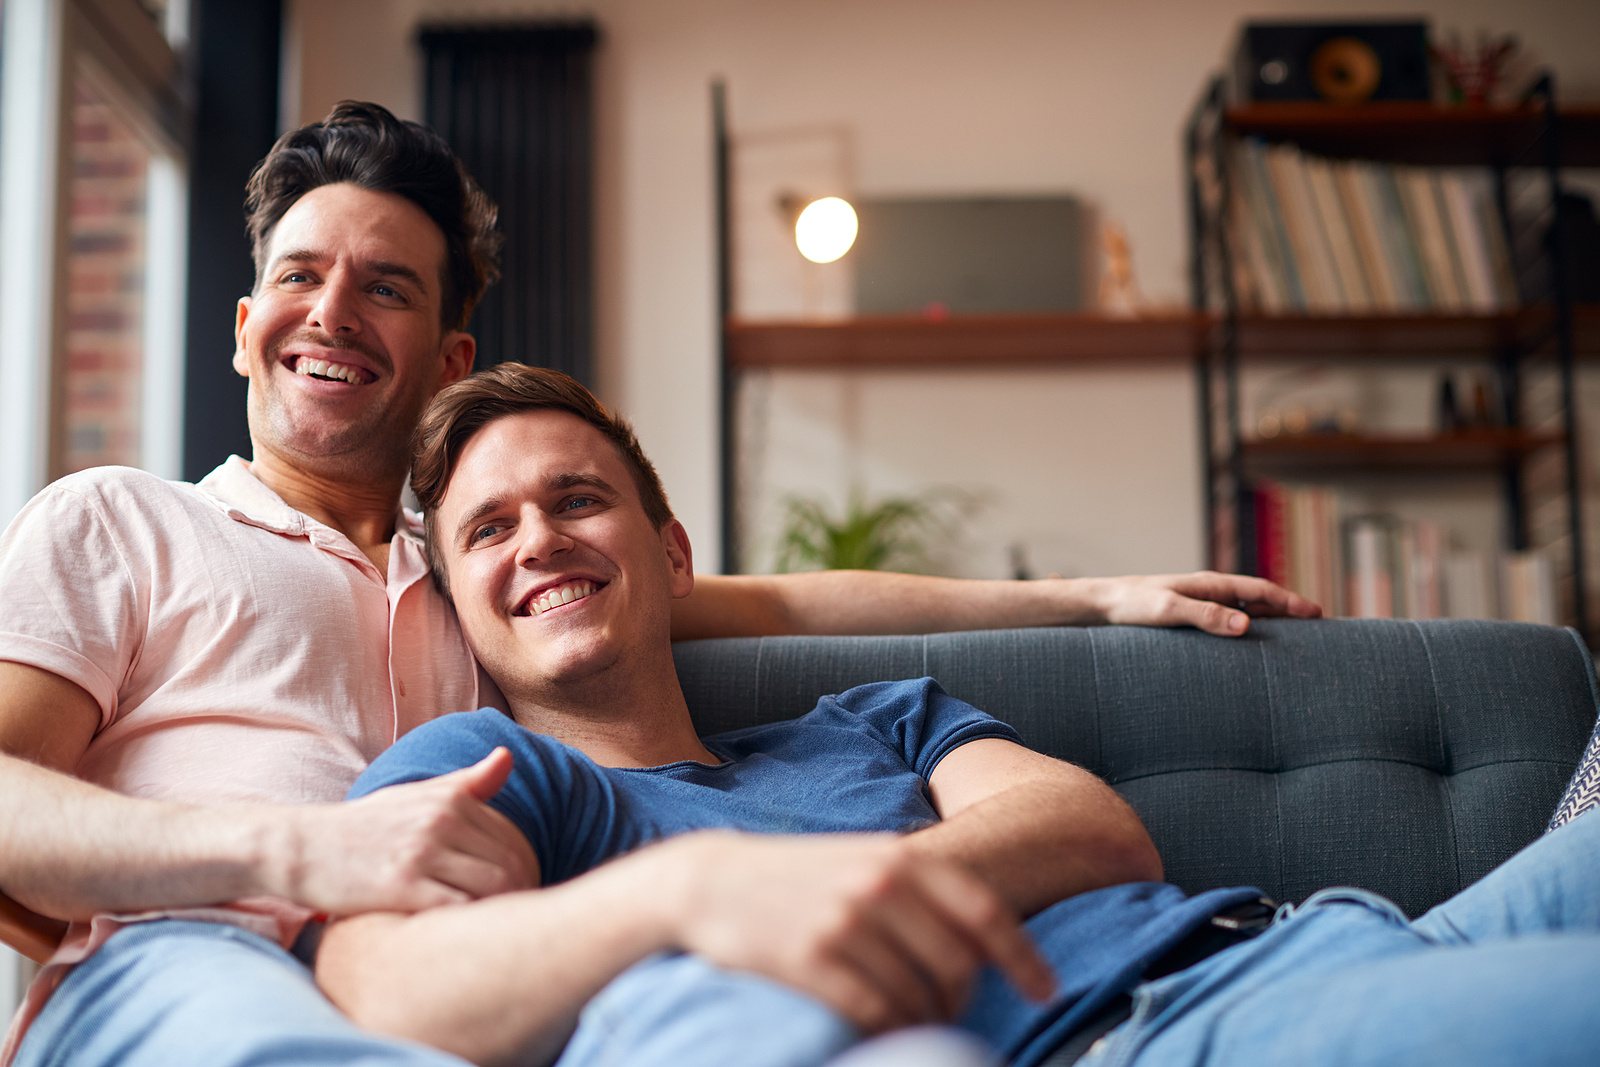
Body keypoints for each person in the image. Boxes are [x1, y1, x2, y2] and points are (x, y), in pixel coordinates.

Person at [0, 101, 1314, 1067]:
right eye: (299, 275)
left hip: (457, 993)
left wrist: (1091, 598)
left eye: (385, 286)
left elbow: (790, 604)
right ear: (245, 328)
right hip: (196, 959)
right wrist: (292, 849)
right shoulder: (122, 519)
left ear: (449, 354)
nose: (333, 311)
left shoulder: (481, 578)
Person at [320, 363, 1600, 1067]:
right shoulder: (497, 766)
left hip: (1334, 935)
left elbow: (1090, 832)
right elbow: (377, 980)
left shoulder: (872, 715)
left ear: (672, 553)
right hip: (1156, 1034)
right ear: (456, 602)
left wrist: (841, 887)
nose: (539, 540)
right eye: (488, 529)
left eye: (576, 499)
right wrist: (684, 895)